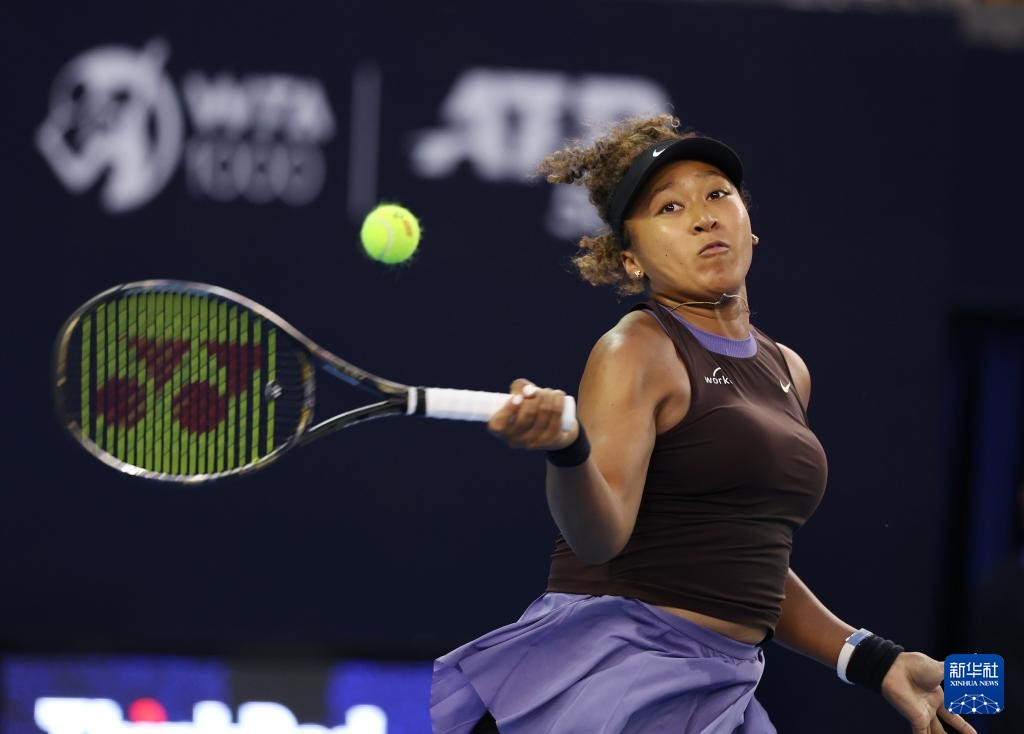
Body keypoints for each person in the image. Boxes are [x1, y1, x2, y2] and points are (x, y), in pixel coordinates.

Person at [429, 114, 976, 734]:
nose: (702, 217)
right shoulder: (636, 349)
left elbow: (745, 562)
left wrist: (875, 660)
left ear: (750, 226)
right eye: (669, 207)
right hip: (620, 669)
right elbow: (597, 539)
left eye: (717, 194)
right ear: (630, 261)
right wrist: (568, 449)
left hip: (723, 683)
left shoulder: (788, 370)